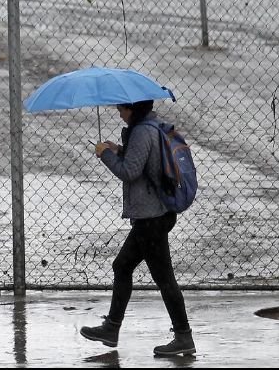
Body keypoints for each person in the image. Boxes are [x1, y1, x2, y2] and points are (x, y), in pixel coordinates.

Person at [80, 100, 196, 357]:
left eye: (122, 110)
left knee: (163, 278)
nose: (120, 114)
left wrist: (105, 154)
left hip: (151, 218)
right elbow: (143, 161)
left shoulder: (143, 131)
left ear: (133, 109)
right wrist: (119, 149)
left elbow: (130, 172)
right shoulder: (149, 126)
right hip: (154, 215)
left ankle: (183, 336)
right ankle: (112, 329)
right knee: (123, 266)